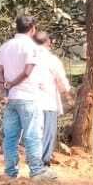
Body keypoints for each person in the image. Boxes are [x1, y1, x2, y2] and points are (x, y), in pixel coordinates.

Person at [0, 15, 56, 180]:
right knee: (32, 135)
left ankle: (10, 172)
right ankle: (37, 170)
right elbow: (27, 72)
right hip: (29, 97)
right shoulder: (32, 47)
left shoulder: (6, 46)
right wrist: (12, 84)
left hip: (11, 99)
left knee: (11, 137)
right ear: (33, 29)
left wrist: (3, 90)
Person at [32, 31, 71, 167]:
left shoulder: (26, 57)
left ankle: (33, 158)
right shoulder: (52, 60)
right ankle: (43, 161)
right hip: (47, 101)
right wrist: (67, 93)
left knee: (33, 131)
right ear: (48, 42)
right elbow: (61, 81)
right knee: (48, 132)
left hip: (28, 100)